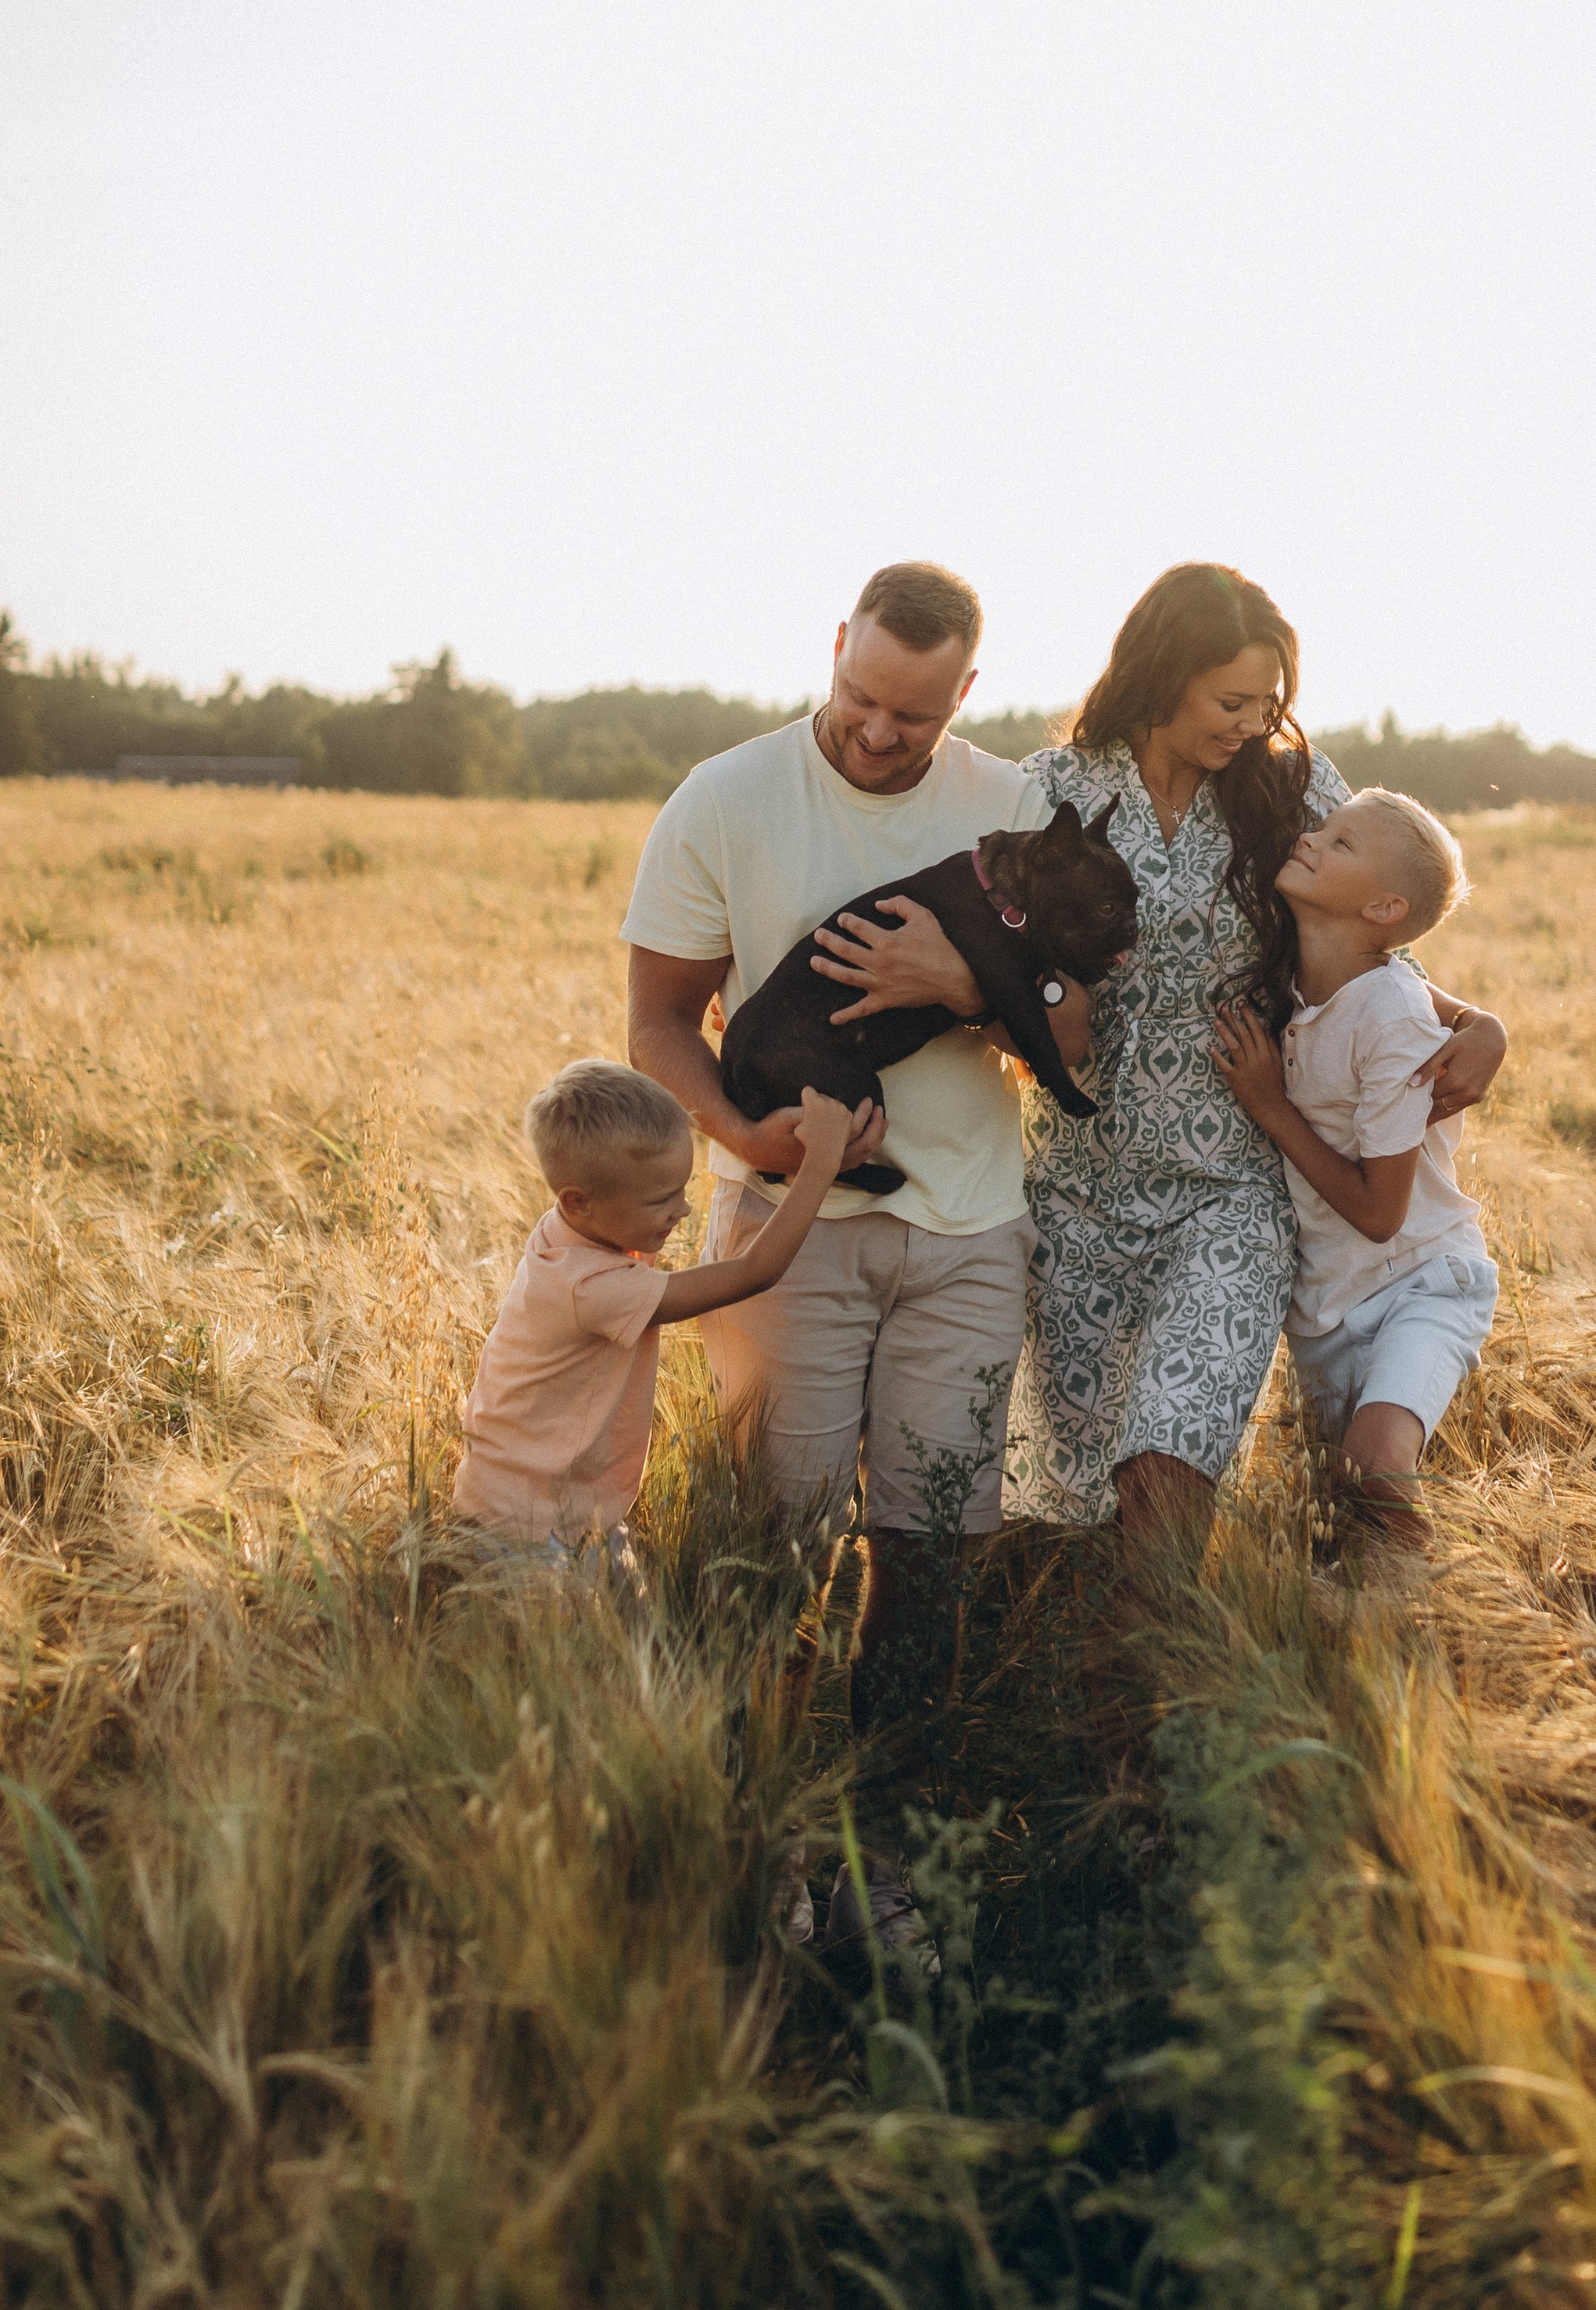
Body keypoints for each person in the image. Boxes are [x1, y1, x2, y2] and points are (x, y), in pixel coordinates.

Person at [622, 561, 1088, 1949]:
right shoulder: (726, 797)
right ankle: (766, 1839)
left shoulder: (1012, 806)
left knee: (932, 1557)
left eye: (915, 716)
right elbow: (657, 1026)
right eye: (861, 698)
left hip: (969, 1234)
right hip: (786, 1245)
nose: (880, 734)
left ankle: (883, 1862)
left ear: (968, 696)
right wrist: (747, 1142)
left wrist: (959, 989)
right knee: (779, 1551)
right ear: (834, 649)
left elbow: (1071, 1038)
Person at [1002, 564, 1507, 1577]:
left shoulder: (1288, 786)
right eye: (1230, 701)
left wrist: (1474, 1018)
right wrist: (1044, 1008)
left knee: (1170, 1468)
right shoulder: (1051, 790)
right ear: (1161, 674)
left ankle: (1172, 1692)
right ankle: (1083, 1689)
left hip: (1235, 1191)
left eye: (1267, 702)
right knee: (1073, 1495)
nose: (1250, 722)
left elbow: (1372, 932)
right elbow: (999, 973)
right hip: (1081, 1190)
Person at [1212, 789, 1497, 1549]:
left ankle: (1427, 1628)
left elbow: (1380, 1213)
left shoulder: (1393, 1013)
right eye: (1321, 829)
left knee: (1372, 1469)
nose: (1309, 838)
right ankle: (1366, 1635)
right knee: (1339, 1510)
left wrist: (1272, 1107)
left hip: (1422, 1286)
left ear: (1383, 908)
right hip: (1327, 1311)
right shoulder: (1304, 981)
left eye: (1340, 843)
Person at [454, 1059, 854, 1568]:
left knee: (629, 1636)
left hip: (560, 1506)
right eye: (662, 1200)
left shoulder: (574, 1230)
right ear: (579, 1203)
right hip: (529, 1525)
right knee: (572, 1645)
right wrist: (821, 1161)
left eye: (683, 1190)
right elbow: (756, 1272)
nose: (683, 1211)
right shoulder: (591, 1288)